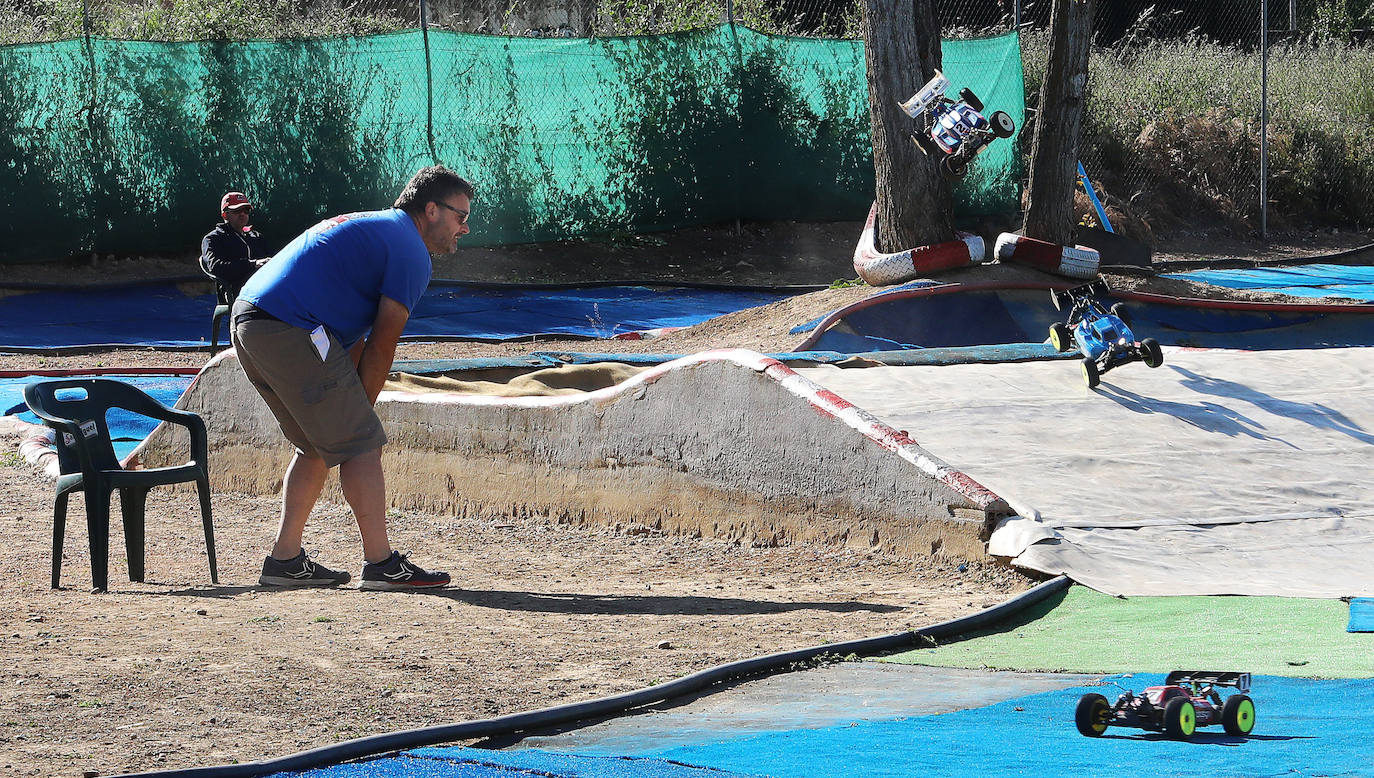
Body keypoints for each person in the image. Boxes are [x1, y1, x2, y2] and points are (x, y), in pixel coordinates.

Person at [230, 165, 474, 590]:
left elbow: (353, 343)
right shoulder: (411, 252)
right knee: (361, 443)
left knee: (317, 445)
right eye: (461, 216)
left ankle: (284, 560)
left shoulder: (381, 228)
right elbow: (382, 344)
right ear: (431, 210)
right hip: (287, 326)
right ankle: (380, 564)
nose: (465, 228)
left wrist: (351, 411)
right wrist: (360, 418)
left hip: (251, 321)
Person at [201, 192, 273, 305]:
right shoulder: (213, 239)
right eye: (237, 211)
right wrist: (252, 264)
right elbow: (216, 267)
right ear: (225, 215)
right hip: (236, 292)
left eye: (246, 211)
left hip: (265, 287)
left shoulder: (256, 237)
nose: (242, 214)